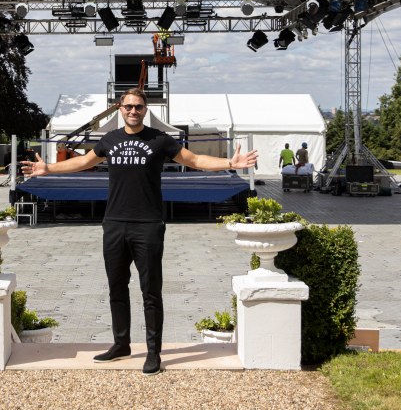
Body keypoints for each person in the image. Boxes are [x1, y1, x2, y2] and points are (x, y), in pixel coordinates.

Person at [21, 88, 258, 375]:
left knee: (150, 291)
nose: (133, 111)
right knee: (116, 288)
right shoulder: (110, 139)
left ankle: (153, 352)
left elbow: (194, 160)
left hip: (148, 224)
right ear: (120, 108)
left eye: (138, 107)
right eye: (128, 107)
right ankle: (121, 344)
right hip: (114, 224)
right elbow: (83, 162)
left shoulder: (159, 140)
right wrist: (48, 168)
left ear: (145, 110)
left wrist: (229, 164)